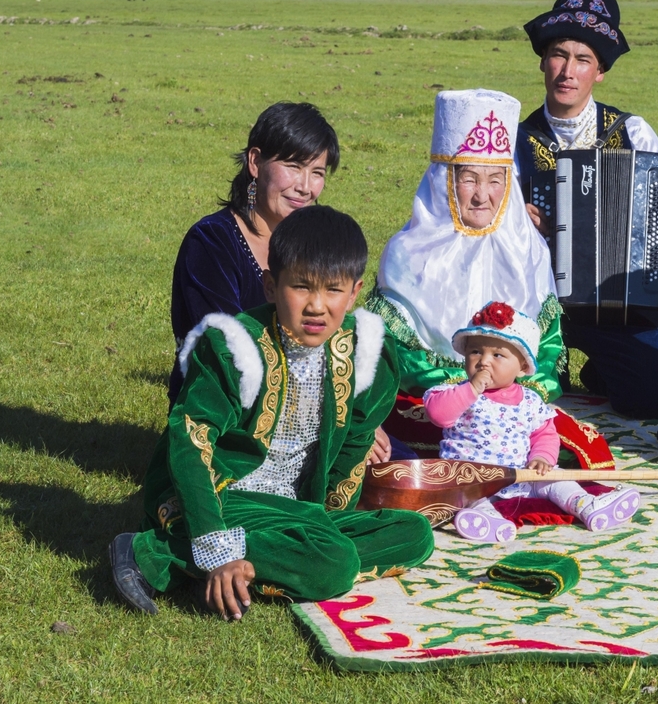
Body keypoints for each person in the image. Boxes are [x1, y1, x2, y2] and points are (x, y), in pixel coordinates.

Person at [110, 206, 434, 620]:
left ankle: (248, 555)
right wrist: (216, 544)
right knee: (334, 563)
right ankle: (153, 552)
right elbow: (190, 441)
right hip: (226, 495)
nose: (317, 306)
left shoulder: (369, 356)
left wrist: (324, 524)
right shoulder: (234, 346)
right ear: (270, 285)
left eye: (333, 290)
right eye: (301, 287)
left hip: (299, 508)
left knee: (413, 534)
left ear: (354, 294)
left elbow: (353, 451)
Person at [366, 88, 615, 476]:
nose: (483, 196)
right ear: (445, 180)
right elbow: (392, 351)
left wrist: (520, 396)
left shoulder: (527, 248)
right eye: (468, 179)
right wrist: (470, 387)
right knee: (403, 451)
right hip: (430, 404)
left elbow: (545, 344)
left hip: (511, 398)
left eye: (495, 180)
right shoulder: (406, 252)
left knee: (582, 449)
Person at [517, 0, 658, 421]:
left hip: (620, 305)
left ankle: (604, 369)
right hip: (538, 301)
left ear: (599, 71)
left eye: (583, 60)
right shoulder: (516, 139)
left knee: (654, 402)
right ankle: (564, 366)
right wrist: (518, 222)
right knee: (532, 400)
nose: (568, 71)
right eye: (560, 55)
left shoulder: (633, 131)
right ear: (544, 61)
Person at [167, 102, 339, 407]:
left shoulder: (313, 246)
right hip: (225, 416)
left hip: (307, 403)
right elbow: (225, 352)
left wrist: (349, 417)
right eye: (293, 166)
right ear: (256, 162)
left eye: (317, 173)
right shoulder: (211, 242)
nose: (305, 187)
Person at [424, 302, 639, 542]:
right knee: (465, 493)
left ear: (522, 366)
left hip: (522, 475)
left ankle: (586, 505)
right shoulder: (454, 392)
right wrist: (472, 389)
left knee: (556, 479)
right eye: (475, 352)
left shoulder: (529, 401)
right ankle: (484, 520)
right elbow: (439, 415)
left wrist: (542, 458)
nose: (484, 361)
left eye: (497, 355)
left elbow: (544, 434)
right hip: (472, 477)